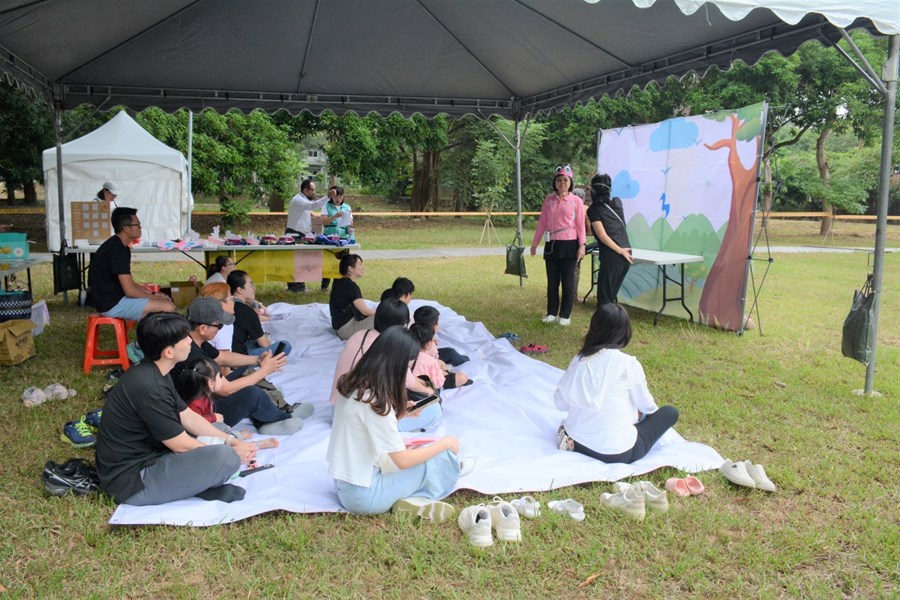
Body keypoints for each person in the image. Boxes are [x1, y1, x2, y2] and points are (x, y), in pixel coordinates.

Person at [95, 312, 256, 506]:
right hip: (133, 481)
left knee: (220, 431)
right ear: (168, 352)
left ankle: (198, 482)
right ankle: (201, 484)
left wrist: (231, 440)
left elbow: (188, 417)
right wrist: (230, 451)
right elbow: (180, 444)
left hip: (155, 456)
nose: (190, 341)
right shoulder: (148, 386)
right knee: (226, 458)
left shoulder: (157, 371)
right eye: (184, 337)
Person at [326, 326, 462, 517]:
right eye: (407, 367)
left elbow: (368, 428)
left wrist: (400, 414)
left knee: (418, 452)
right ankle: (419, 498)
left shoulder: (353, 386)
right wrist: (445, 444)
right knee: (441, 458)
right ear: (396, 365)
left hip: (345, 485)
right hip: (365, 496)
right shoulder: (375, 403)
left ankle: (408, 498)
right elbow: (402, 461)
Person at [554, 303, 679, 464]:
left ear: (593, 328)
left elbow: (561, 404)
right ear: (625, 332)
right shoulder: (628, 364)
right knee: (669, 412)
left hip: (572, 442)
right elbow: (647, 405)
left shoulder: (579, 360)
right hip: (615, 453)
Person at [171, 297, 309, 436]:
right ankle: (283, 417)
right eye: (219, 325)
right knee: (252, 394)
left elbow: (222, 357)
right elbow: (225, 390)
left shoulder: (191, 339)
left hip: (200, 400)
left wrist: (257, 360)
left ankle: (265, 419)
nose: (220, 329)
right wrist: (265, 370)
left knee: (246, 372)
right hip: (199, 414)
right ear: (202, 328)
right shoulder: (192, 354)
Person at [87, 206, 176, 320]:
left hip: (113, 299)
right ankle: (151, 336)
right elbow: (130, 291)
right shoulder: (117, 249)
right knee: (168, 307)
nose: (140, 228)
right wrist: (155, 298)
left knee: (157, 308)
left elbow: (130, 283)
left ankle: (147, 335)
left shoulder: (118, 246)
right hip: (111, 304)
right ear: (126, 228)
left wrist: (153, 294)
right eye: (137, 225)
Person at [175, 355, 279, 449]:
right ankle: (251, 443)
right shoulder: (195, 403)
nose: (223, 378)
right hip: (202, 435)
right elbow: (195, 424)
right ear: (210, 383)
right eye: (220, 376)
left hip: (212, 427)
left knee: (221, 426)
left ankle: (236, 436)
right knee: (219, 428)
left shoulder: (203, 396)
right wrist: (213, 417)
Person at [530, 164, 586, 326]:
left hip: (570, 244)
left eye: (565, 180)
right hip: (552, 244)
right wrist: (535, 243)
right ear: (555, 182)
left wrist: (582, 245)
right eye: (559, 180)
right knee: (552, 281)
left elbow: (581, 225)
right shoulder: (548, 201)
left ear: (570, 183)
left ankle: (565, 315)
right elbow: (542, 223)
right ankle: (551, 313)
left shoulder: (576, 201)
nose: (562, 183)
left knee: (567, 282)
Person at [587, 173, 633, 304]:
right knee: (610, 298)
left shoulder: (593, 210)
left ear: (592, 190)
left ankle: (604, 325)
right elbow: (620, 227)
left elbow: (602, 236)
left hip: (614, 256)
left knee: (604, 300)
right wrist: (623, 251)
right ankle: (613, 324)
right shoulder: (617, 202)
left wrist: (619, 251)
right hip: (627, 254)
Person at [227, 270, 292, 357]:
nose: (254, 288)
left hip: (227, 351)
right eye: (250, 284)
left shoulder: (226, 304)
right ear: (240, 290)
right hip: (239, 356)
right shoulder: (246, 310)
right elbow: (265, 345)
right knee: (285, 345)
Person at [285, 179, 330, 292]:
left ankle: (298, 286)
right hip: (294, 234)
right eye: (312, 190)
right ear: (305, 190)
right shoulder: (298, 200)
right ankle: (296, 287)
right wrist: (327, 196)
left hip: (301, 233)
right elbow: (313, 206)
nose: (314, 193)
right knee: (297, 261)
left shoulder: (302, 201)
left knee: (301, 260)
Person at [329, 253, 375, 340]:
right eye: (360, 264)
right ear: (350, 268)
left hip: (339, 327)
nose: (363, 267)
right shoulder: (351, 286)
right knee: (385, 317)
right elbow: (364, 311)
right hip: (346, 330)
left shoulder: (338, 282)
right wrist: (383, 312)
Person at [320, 186, 353, 291]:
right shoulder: (326, 206)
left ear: (343, 196)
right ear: (331, 197)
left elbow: (351, 223)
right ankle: (324, 286)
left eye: (340, 196)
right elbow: (324, 222)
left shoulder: (347, 207)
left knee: (343, 262)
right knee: (328, 261)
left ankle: (339, 286)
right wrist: (335, 216)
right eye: (335, 197)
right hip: (329, 237)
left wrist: (348, 219)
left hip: (343, 237)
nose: (338, 199)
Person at [199, 282, 235, 351]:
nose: (233, 302)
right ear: (221, 304)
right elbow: (224, 357)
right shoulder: (225, 324)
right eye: (231, 298)